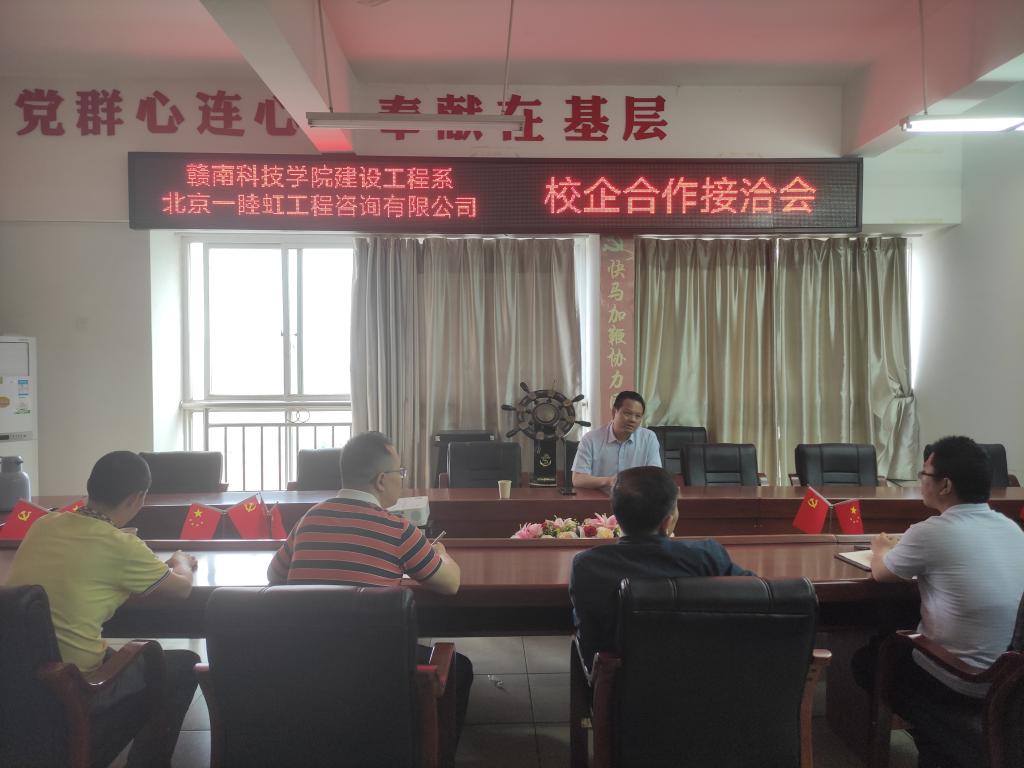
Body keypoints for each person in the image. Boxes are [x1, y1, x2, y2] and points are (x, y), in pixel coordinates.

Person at [268, 430, 473, 740]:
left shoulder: (309, 519)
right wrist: (442, 554)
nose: (401, 479)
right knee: (460, 667)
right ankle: (432, 753)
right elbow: (451, 584)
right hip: (374, 669)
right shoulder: (397, 528)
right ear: (380, 481)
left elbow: (274, 576)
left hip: (303, 662)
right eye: (399, 472)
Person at [5, 451, 199, 767]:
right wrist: (181, 561)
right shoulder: (121, 545)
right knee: (182, 665)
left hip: (20, 680)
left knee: (117, 654)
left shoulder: (44, 524)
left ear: (91, 486)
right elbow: (182, 589)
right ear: (138, 497)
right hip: (77, 689)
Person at [858, 436, 1024, 766]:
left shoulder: (931, 531)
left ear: (945, 485)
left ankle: (936, 740)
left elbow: (882, 573)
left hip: (965, 682)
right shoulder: (1013, 530)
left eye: (924, 474)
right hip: (1013, 687)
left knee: (868, 660)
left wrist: (881, 549)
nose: (921, 481)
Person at [569, 466, 754, 668]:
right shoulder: (706, 556)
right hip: (702, 672)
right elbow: (755, 593)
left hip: (624, 682)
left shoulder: (588, 566)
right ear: (667, 523)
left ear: (617, 517)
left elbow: (589, 636)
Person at [571, 390, 662, 489]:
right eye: (627, 413)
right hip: (600, 496)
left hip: (636, 496)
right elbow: (578, 479)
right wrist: (609, 481)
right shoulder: (591, 439)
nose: (633, 419)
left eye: (638, 416)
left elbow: (656, 477)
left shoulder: (649, 438)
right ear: (614, 412)